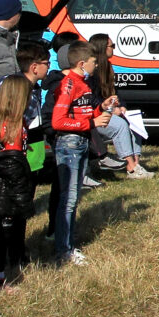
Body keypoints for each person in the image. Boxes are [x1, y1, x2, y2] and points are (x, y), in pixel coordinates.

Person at [49, 41, 112, 265]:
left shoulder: (83, 84)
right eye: (94, 62)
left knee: (73, 198)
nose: (97, 66)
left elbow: (84, 111)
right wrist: (90, 123)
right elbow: (58, 121)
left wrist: (102, 108)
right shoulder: (68, 84)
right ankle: (63, 249)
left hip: (82, 142)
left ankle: (67, 243)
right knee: (68, 198)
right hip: (70, 144)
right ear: (81, 63)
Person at [0, 73, 34, 291]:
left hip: (6, 187)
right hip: (4, 189)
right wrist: (22, 196)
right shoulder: (10, 125)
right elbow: (10, 164)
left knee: (3, 233)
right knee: (2, 234)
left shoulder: (12, 121)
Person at [87, 34, 152, 178]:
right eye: (112, 46)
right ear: (103, 48)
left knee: (135, 122)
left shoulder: (108, 68)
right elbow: (91, 99)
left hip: (109, 110)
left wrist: (121, 106)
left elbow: (116, 92)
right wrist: (110, 109)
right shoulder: (92, 72)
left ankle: (136, 162)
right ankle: (130, 167)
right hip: (96, 114)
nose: (114, 49)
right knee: (120, 125)